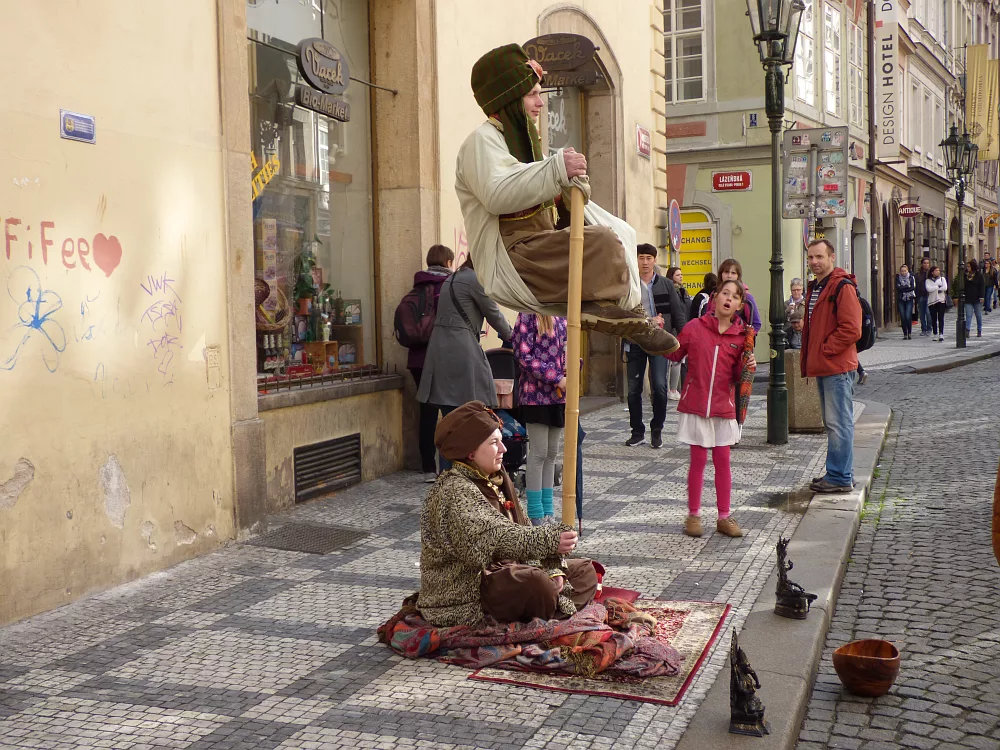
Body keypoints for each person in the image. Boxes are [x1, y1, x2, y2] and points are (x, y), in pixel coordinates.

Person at [456, 44, 677, 356]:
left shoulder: (526, 145)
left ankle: (606, 309)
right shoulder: (481, 142)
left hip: (540, 247)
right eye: (532, 94)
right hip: (517, 258)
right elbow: (498, 194)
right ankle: (604, 310)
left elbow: (545, 193)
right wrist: (557, 169)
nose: (540, 104)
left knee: (618, 234)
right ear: (509, 98)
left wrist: (568, 190)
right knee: (602, 240)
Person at [418, 401, 597, 627]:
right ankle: (545, 617)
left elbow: (522, 531)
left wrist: (551, 569)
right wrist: (550, 540)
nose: (503, 449)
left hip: (510, 573)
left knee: (584, 571)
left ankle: (543, 614)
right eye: (494, 443)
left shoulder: (496, 480)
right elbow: (495, 539)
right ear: (470, 451)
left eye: (501, 441)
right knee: (534, 583)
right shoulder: (454, 492)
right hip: (471, 593)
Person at [667, 280, 755, 538]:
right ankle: (693, 514)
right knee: (698, 460)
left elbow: (738, 376)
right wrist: (653, 335)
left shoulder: (741, 337)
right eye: (725, 293)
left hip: (722, 406)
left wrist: (748, 364)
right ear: (715, 298)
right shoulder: (695, 327)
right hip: (696, 404)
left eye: (735, 296)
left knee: (723, 460)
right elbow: (674, 352)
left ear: (739, 304)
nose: (729, 299)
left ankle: (724, 517)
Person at [418, 255, 513, 471]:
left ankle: (446, 477)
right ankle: (459, 480)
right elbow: (493, 313)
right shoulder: (474, 279)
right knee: (465, 423)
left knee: (450, 424)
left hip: (440, 352)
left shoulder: (453, 278)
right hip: (460, 353)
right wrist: (511, 336)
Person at [801, 239, 862, 494]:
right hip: (826, 365)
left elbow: (852, 329)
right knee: (834, 422)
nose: (814, 262)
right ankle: (840, 472)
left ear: (831, 257)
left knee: (839, 423)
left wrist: (825, 349)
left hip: (836, 366)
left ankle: (839, 477)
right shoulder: (818, 286)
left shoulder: (841, 286)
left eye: (819, 257)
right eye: (811, 257)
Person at [625, 244, 686, 448]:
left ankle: (657, 428)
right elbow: (622, 313)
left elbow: (677, 313)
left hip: (660, 341)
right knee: (634, 389)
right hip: (635, 340)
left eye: (648, 258)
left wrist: (684, 339)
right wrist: (647, 320)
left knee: (659, 386)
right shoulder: (630, 284)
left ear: (654, 260)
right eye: (641, 258)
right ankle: (637, 431)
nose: (644, 262)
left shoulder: (666, 284)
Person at [511, 313, 567, 525]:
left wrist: (572, 366)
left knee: (552, 452)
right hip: (535, 395)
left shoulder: (561, 315)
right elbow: (524, 356)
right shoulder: (526, 316)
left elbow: (565, 352)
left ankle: (548, 512)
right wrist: (556, 377)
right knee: (539, 453)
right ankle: (535, 514)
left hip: (557, 397)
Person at [406, 245, 455, 482]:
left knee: (426, 411)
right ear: (447, 262)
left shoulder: (418, 286)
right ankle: (448, 466)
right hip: (440, 358)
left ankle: (427, 468)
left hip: (416, 359)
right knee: (449, 411)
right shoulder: (448, 287)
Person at [708, 259, 762, 332]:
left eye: (733, 273)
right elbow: (708, 316)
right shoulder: (714, 293)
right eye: (726, 272)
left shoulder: (747, 297)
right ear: (721, 274)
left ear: (738, 276)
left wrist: (746, 338)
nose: (729, 276)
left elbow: (756, 324)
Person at [665, 266, 690, 401]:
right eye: (677, 275)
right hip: (673, 329)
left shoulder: (682, 291)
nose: (681, 277)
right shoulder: (671, 290)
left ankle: (673, 388)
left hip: (680, 327)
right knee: (673, 360)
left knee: (678, 361)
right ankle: (670, 389)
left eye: (681, 274)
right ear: (671, 276)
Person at [925, 265, 948, 342]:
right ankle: (935, 334)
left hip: (941, 300)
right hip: (932, 302)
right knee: (933, 318)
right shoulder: (928, 281)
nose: (938, 272)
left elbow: (945, 288)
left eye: (938, 270)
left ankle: (941, 334)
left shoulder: (942, 279)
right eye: (936, 270)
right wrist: (937, 287)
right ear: (932, 272)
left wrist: (935, 288)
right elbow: (928, 289)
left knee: (941, 318)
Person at [964, 258, 985, 338]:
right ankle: (967, 330)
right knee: (968, 315)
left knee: (978, 315)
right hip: (968, 298)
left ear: (973, 267)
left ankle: (979, 330)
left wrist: (981, 297)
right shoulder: (965, 275)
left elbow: (982, 286)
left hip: (977, 298)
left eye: (969, 266)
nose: (967, 268)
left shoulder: (979, 275)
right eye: (967, 266)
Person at [894, 263, 916, 340]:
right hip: (901, 299)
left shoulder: (911, 277)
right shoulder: (898, 278)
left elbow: (912, 287)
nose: (903, 272)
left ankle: (909, 333)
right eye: (902, 271)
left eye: (905, 271)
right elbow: (898, 288)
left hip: (909, 298)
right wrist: (906, 287)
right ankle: (905, 334)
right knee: (903, 317)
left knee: (907, 316)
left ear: (907, 271)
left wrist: (903, 288)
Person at [915, 256, 932, 336]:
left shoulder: (931, 274)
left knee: (928, 313)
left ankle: (929, 328)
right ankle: (923, 329)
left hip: (929, 296)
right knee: (922, 314)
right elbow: (916, 285)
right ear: (922, 264)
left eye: (927, 263)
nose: (926, 265)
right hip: (921, 296)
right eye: (924, 263)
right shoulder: (918, 274)